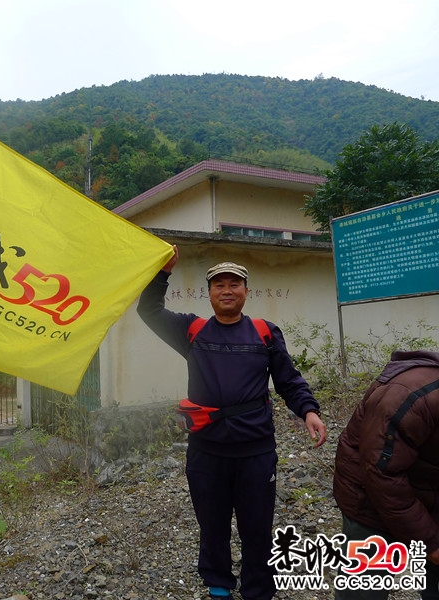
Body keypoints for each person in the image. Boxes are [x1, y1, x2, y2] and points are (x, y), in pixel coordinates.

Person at [136, 246, 327, 600]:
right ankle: (219, 585)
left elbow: (288, 380)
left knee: (257, 528)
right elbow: (148, 311)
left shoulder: (265, 332)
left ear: (245, 291)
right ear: (209, 293)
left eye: (234, 284)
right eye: (218, 285)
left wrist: (309, 411)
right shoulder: (191, 330)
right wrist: (162, 273)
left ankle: (258, 591)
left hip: (256, 452)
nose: (227, 290)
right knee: (213, 525)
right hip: (206, 452)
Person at [333, 350, 439, 599]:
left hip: (428, 490)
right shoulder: (408, 397)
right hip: (372, 499)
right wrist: (429, 542)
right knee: (364, 588)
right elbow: (382, 475)